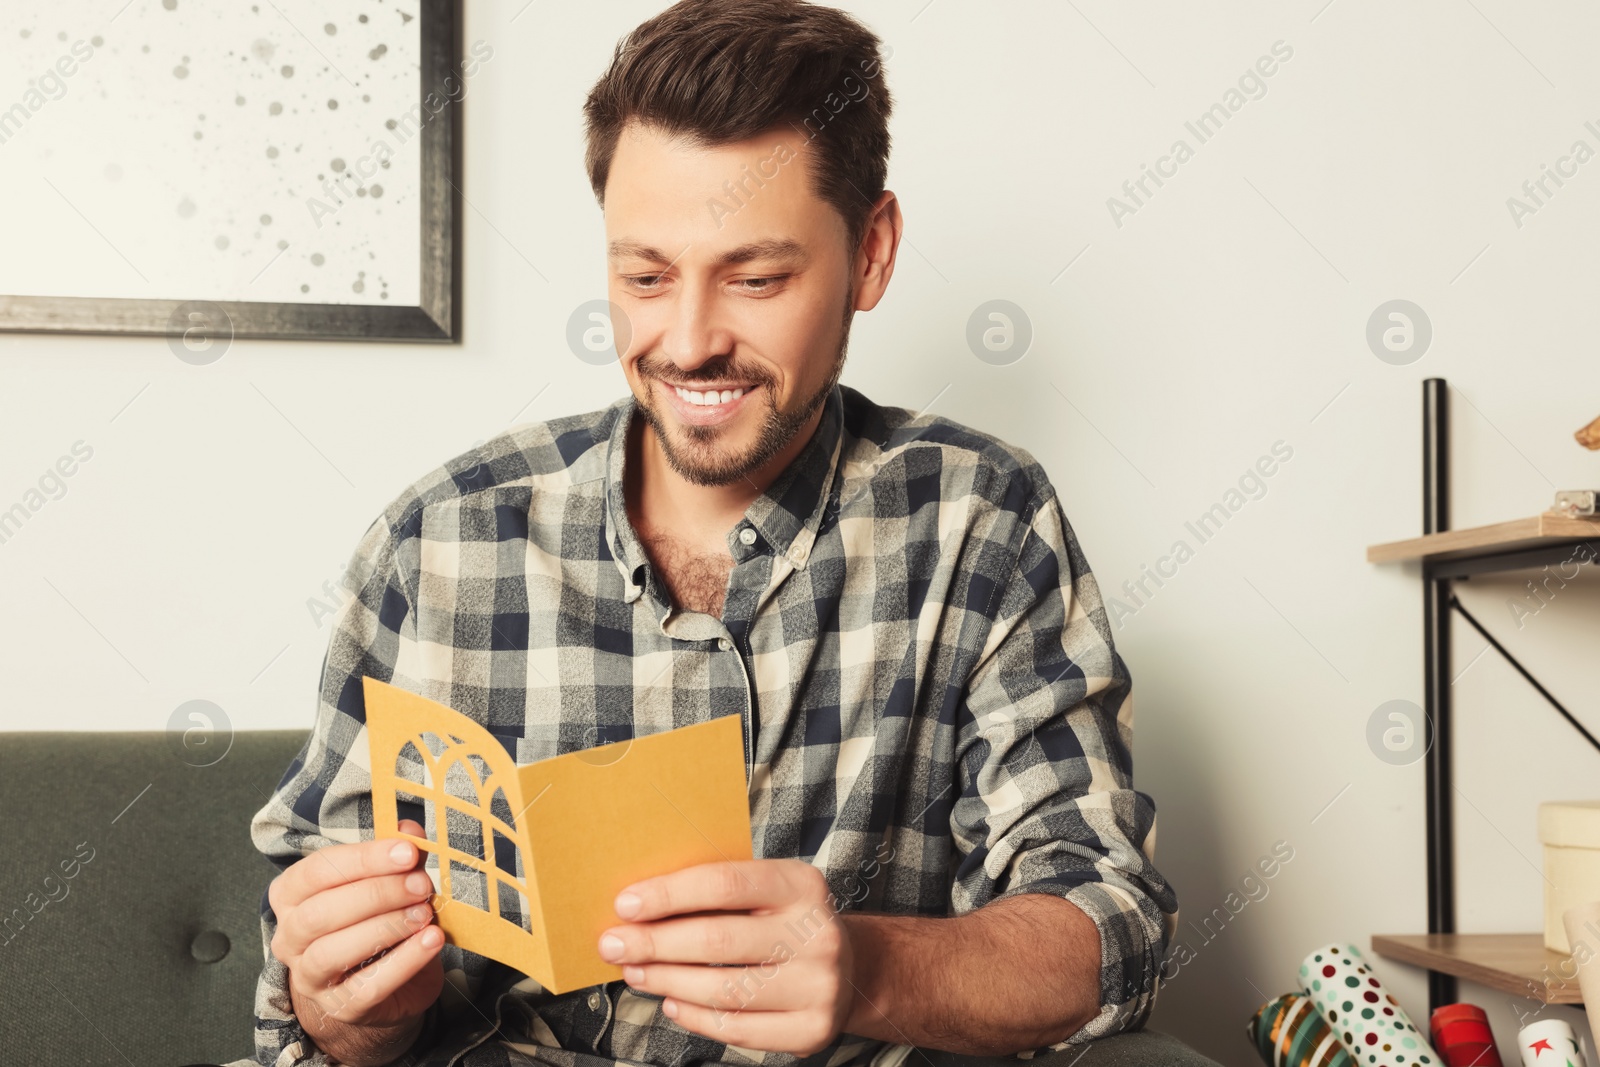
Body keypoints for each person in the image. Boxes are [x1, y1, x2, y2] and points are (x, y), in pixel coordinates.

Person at [240, 2, 1211, 1065]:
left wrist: (869, 967)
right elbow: (310, 1012)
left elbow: (1106, 918)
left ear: (872, 253)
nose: (690, 340)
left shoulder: (981, 522)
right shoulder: (438, 543)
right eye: (645, 276)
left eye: (756, 278)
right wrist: (349, 1003)